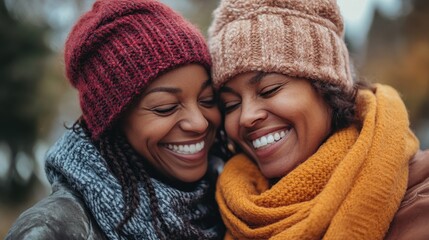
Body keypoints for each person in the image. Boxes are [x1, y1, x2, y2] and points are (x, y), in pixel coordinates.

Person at [208, 0, 429, 239]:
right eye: (230, 105)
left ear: (327, 89)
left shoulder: (419, 198)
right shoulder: (217, 212)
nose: (246, 117)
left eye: (269, 90)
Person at [6, 0, 226, 239]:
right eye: (166, 108)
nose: (199, 123)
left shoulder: (232, 201)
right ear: (113, 122)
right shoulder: (54, 230)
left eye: (207, 100)